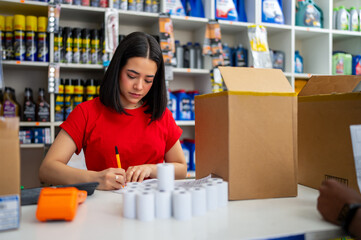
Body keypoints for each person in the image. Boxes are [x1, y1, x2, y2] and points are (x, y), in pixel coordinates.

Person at [39, 32, 187, 190]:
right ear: (117, 70)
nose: (139, 86)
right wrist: (95, 179)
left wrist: (151, 169)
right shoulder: (87, 112)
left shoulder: (160, 114)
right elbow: (47, 169)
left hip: (150, 207)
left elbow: (181, 170)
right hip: (103, 208)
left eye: (148, 80)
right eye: (131, 76)